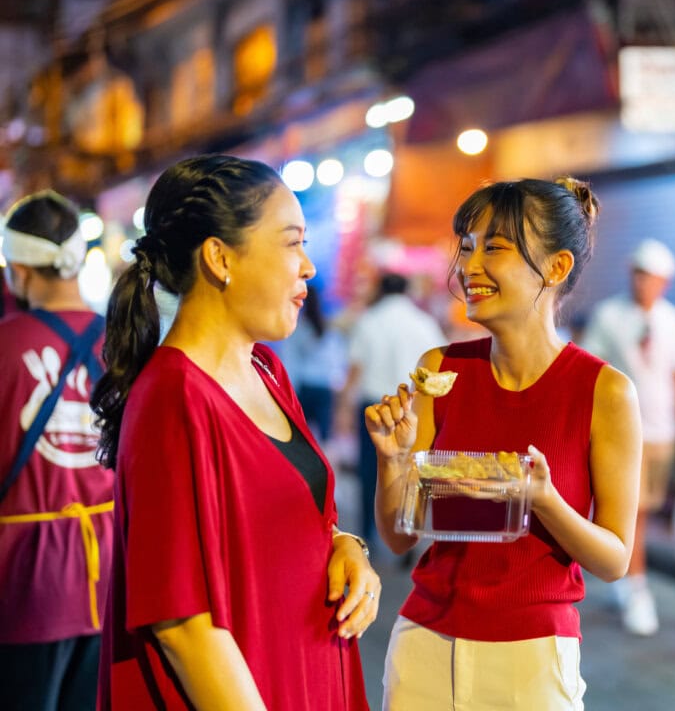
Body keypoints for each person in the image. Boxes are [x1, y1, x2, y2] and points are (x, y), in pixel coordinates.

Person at [90, 155, 376, 709]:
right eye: (292, 243)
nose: (309, 268)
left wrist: (348, 547)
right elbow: (183, 624)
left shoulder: (267, 369)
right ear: (220, 257)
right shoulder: (174, 396)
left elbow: (296, 514)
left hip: (309, 671)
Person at [366, 177, 641, 710]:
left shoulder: (604, 392)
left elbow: (615, 559)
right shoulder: (439, 371)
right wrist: (393, 459)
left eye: (494, 248)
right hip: (425, 642)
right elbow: (399, 538)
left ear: (557, 268)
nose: (469, 268)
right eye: (467, 247)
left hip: (533, 659)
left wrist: (545, 500)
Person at [0, 191, 111, 711]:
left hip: (23, 583)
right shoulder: (125, 343)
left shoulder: (6, 345)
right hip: (112, 575)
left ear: (19, 270)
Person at [581, 238, 675, 636]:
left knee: (645, 510)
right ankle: (636, 587)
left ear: (665, 282)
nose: (644, 283)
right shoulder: (609, 316)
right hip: (620, 431)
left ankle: (628, 578)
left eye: (652, 277)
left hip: (661, 432)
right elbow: (591, 373)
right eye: (639, 274)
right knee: (632, 512)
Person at [342, 271, 446, 551]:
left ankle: (369, 534)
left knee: (369, 473)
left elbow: (355, 369)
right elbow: (437, 371)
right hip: (414, 408)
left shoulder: (368, 320)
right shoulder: (424, 322)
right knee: (414, 474)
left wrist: (343, 409)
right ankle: (409, 532)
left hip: (375, 408)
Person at [279, 284, 347, 441]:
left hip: (305, 386)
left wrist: (288, 390)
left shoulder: (298, 329)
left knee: (300, 436)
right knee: (325, 437)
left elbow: (291, 361)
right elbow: (337, 360)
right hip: (325, 388)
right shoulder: (329, 329)